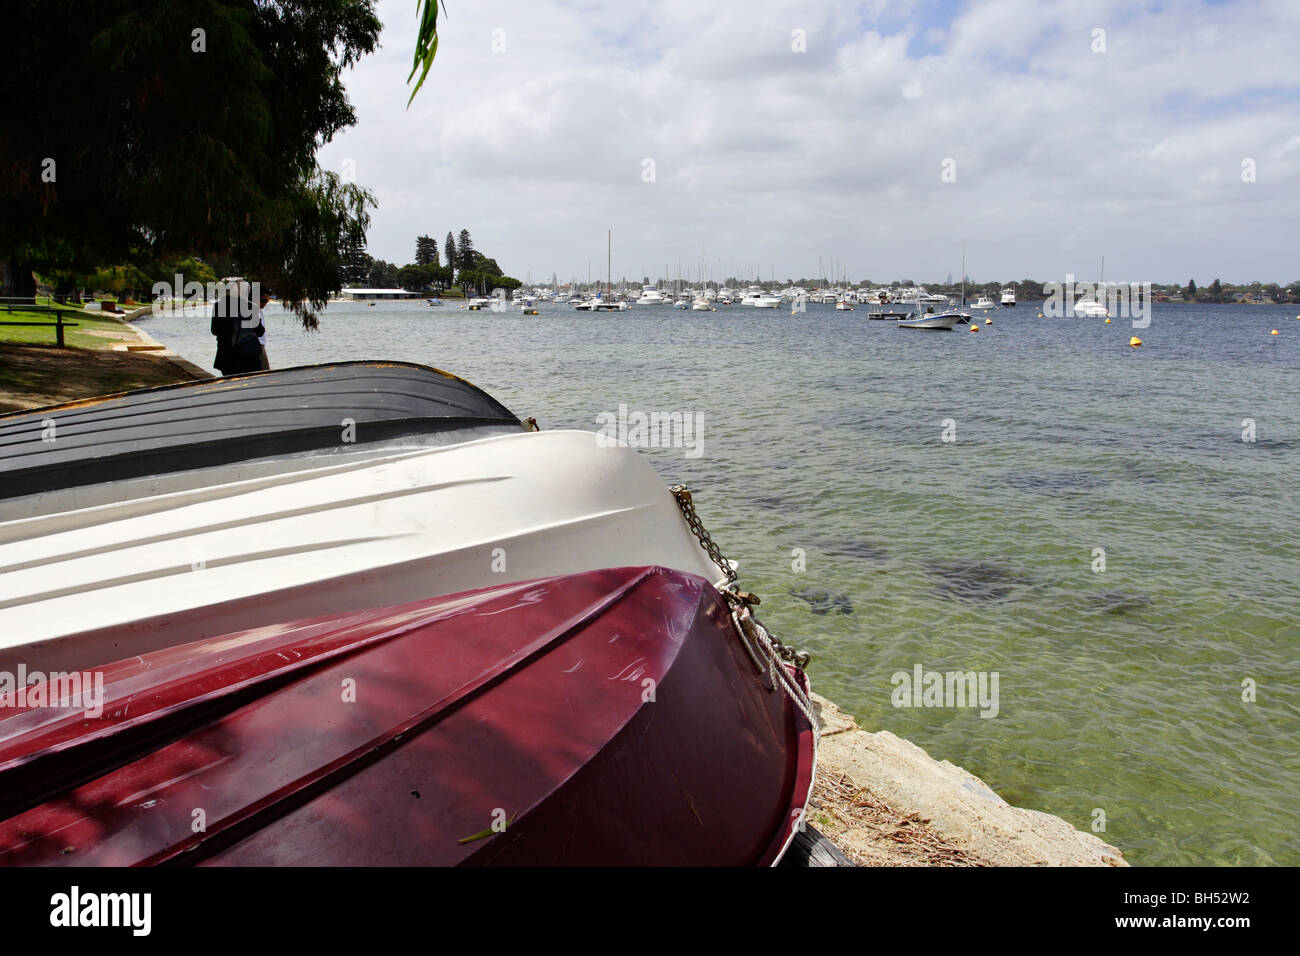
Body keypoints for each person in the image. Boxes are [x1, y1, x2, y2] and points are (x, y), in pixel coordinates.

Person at [210, 278, 264, 376]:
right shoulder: (250, 306)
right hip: (247, 355)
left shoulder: (218, 306)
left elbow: (214, 330)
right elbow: (260, 332)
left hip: (226, 357)